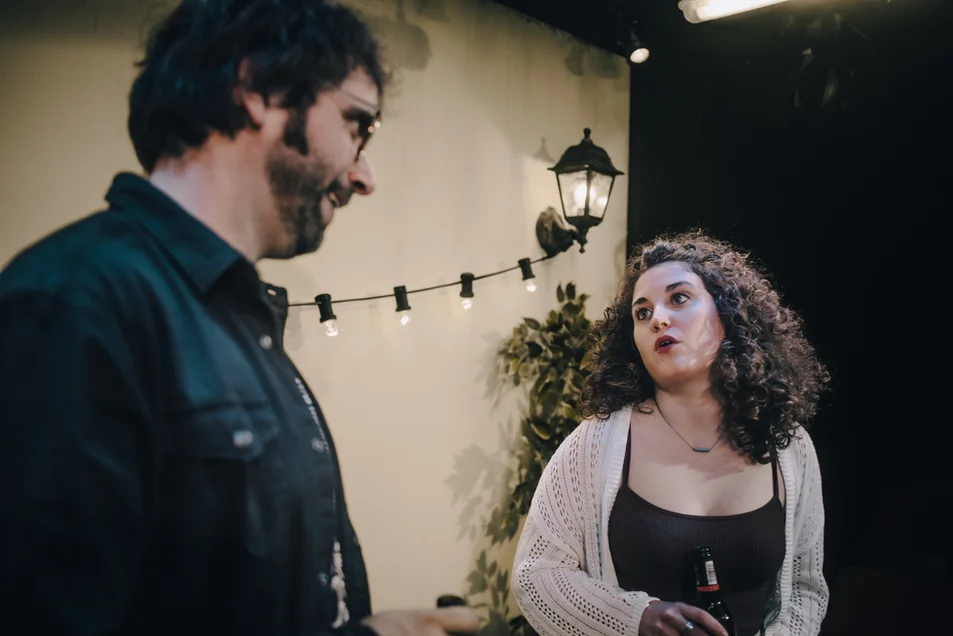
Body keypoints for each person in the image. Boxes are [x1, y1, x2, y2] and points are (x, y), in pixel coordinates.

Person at [0, 2, 479, 635]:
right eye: (357, 123)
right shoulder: (73, 303)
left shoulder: (242, 320)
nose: (364, 177)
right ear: (259, 88)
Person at [511, 231, 829, 636]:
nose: (658, 318)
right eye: (642, 313)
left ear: (729, 312)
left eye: (679, 298)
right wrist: (635, 619)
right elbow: (536, 574)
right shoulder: (593, 444)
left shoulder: (789, 445)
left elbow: (806, 588)